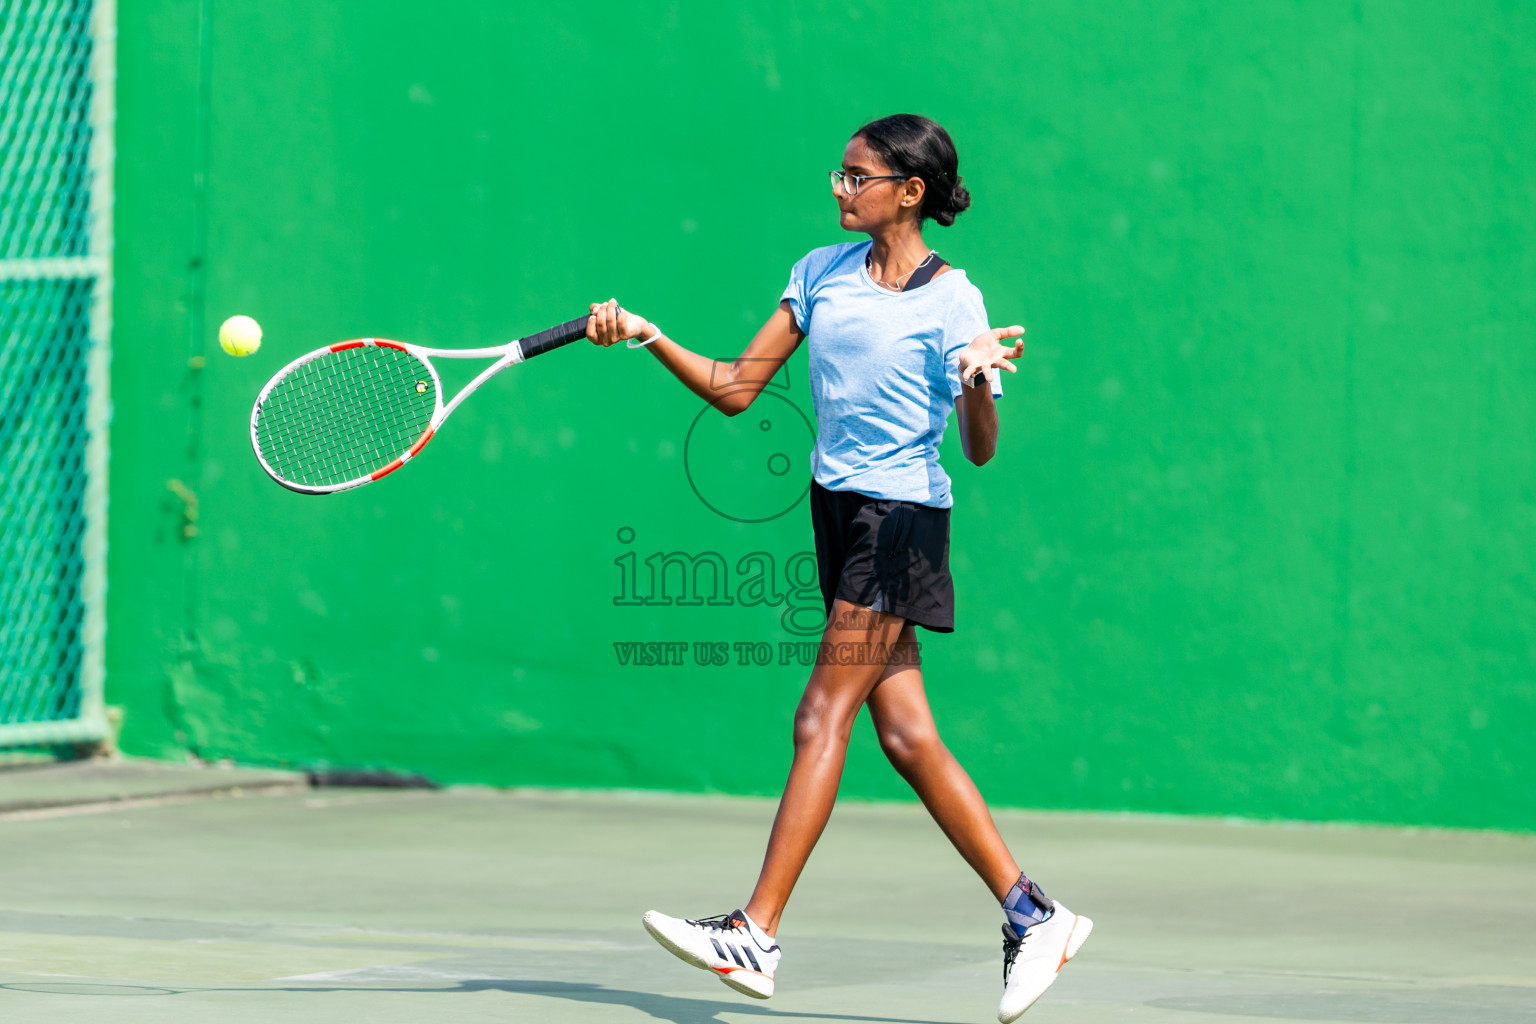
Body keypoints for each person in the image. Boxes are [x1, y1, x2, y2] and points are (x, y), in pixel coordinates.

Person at [585, 113, 1091, 1022]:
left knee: (822, 712)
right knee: (905, 737)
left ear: (910, 192)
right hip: (837, 513)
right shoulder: (819, 273)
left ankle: (756, 931)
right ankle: (1034, 915)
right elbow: (736, 388)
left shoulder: (956, 301)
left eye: (857, 176)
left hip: (900, 520)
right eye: (839, 173)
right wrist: (648, 336)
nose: (839, 188)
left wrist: (977, 379)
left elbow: (979, 451)